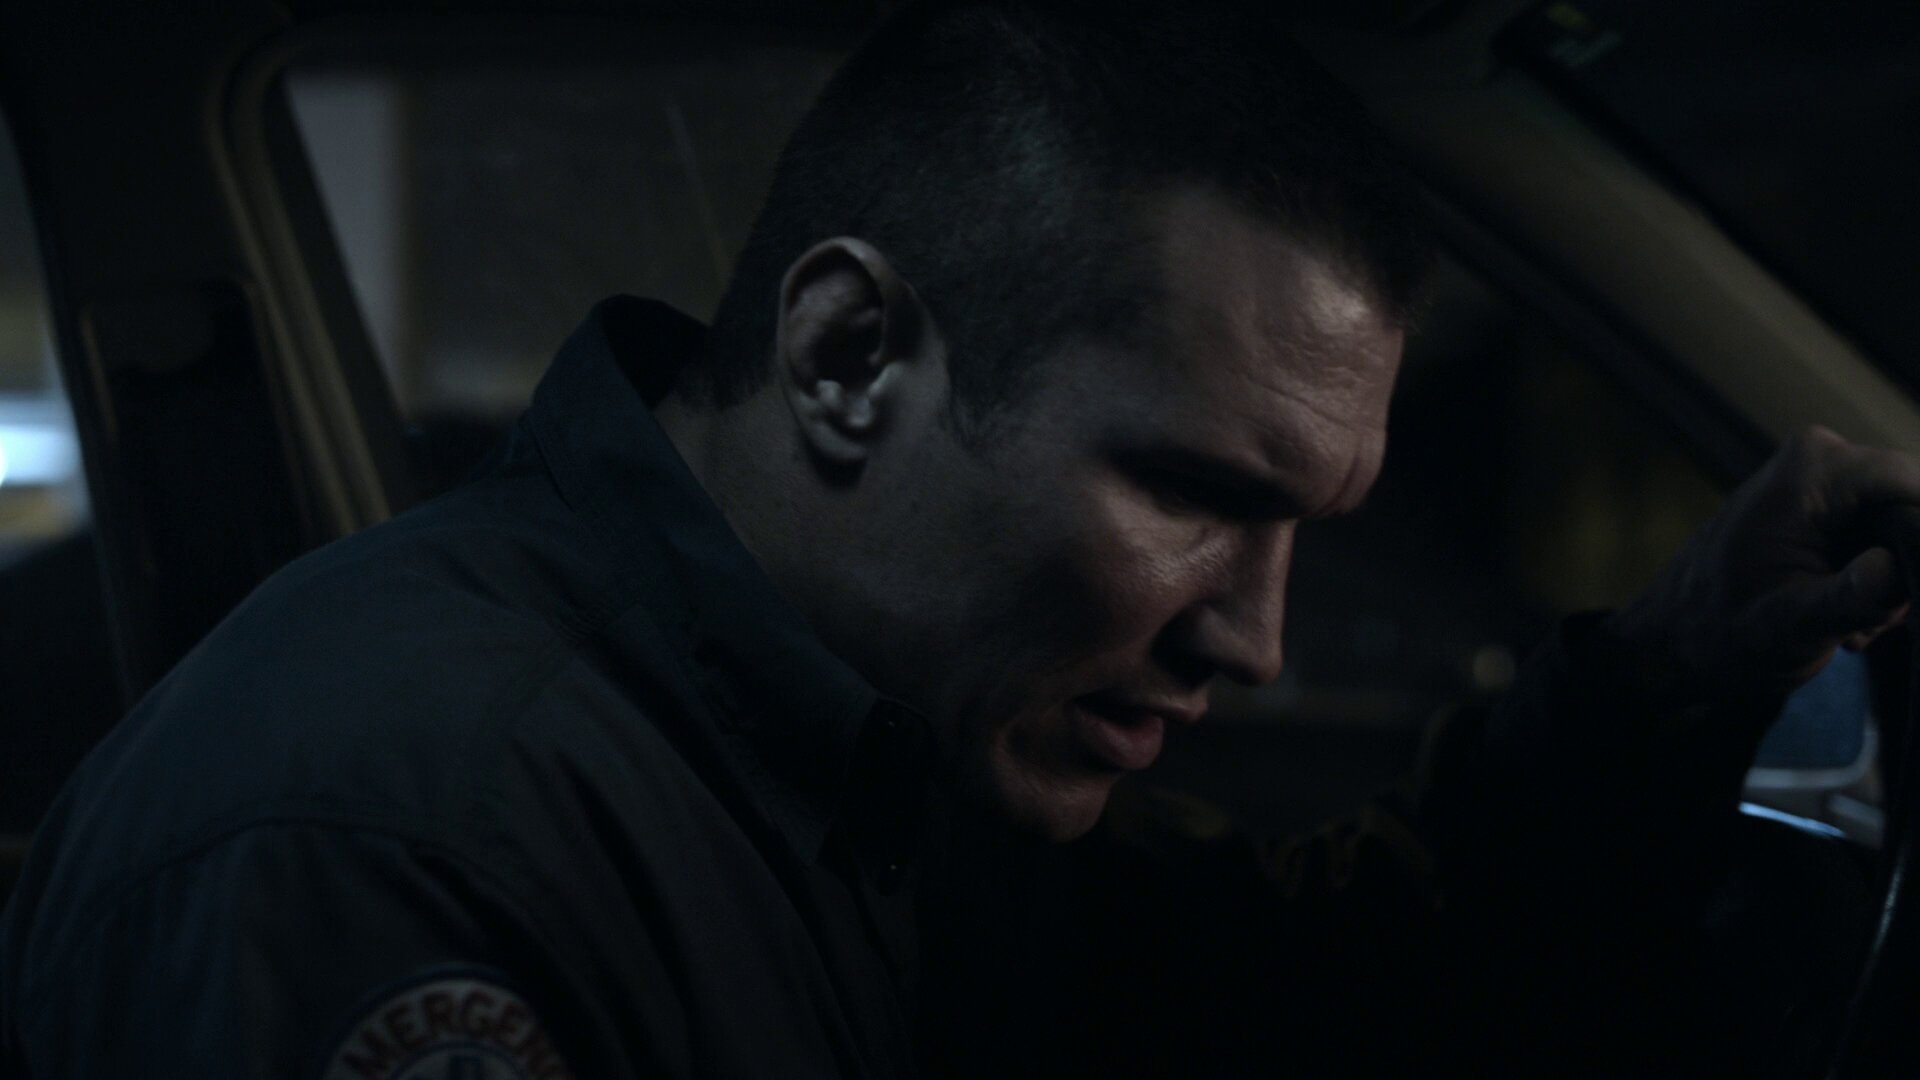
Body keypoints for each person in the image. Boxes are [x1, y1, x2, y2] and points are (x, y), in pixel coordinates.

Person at [1, 1, 1913, 1076]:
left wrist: (1675, 662)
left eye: (1304, 527)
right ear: (849, 357)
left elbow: (1304, 983)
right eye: (1196, 494)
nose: (1253, 640)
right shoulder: (382, 842)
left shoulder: (879, 750)